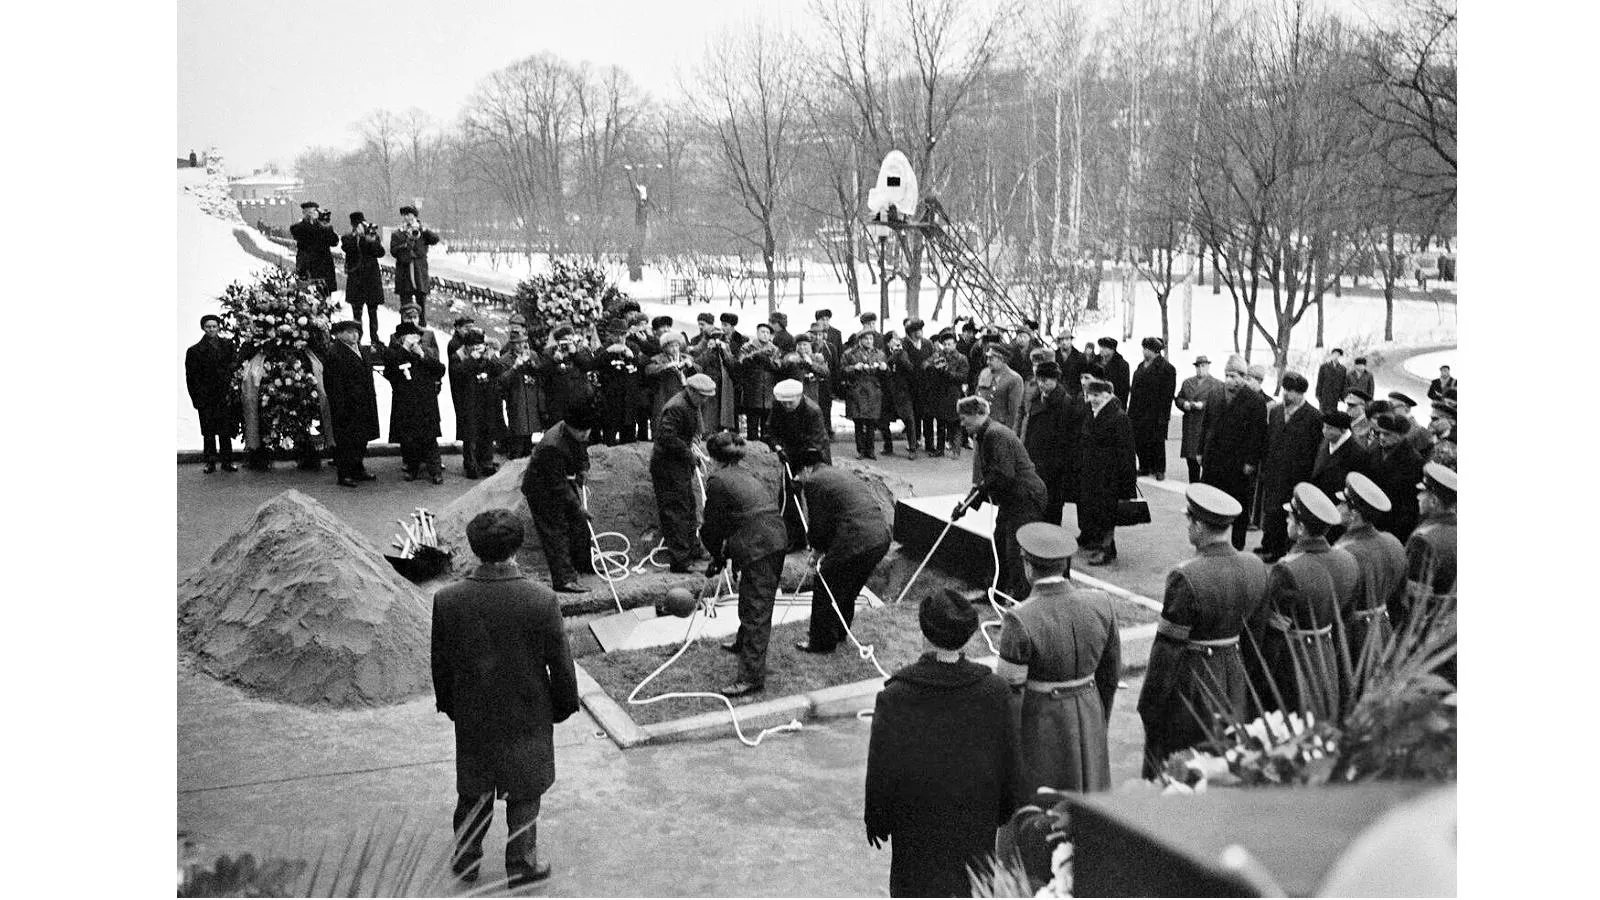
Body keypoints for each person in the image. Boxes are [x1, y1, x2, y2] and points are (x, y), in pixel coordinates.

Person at [431, 509, 579, 887]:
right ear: (517, 548)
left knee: (474, 789)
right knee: (525, 791)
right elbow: (561, 664)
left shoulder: (447, 600)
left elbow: (441, 664)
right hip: (527, 712)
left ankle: (466, 860)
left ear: (474, 548)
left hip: (474, 712)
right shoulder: (541, 599)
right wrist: (562, 706)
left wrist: (451, 706)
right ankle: (522, 864)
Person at [864, 589, 1018, 898]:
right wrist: (1003, 810)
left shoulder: (896, 696)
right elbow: (1008, 761)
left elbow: (882, 768)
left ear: (924, 632)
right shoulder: (995, 691)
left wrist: (877, 818)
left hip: (916, 828)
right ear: (968, 637)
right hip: (975, 824)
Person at [1137, 485, 1267, 777]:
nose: (1187, 527)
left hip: (1194, 680)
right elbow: (1256, 636)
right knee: (1228, 757)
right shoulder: (1254, 566)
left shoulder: (1186, 576)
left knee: (1185, 760)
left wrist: (1150, 704)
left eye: (1189, 520)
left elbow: (1167, 651)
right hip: (1234, 674)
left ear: (1198, 525)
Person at [996, 523, 1122, 798]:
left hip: (1042, 724)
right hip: (1090, 713)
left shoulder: (1019, 619)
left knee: (1043, 806)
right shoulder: (1101, 603)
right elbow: (1110, 676)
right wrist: (1098, 717)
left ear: (1028, 566)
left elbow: (1010, 696)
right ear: (1064, 564)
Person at [1248, 483, 1358, 719]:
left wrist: (1258, 683)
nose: (1286, 520)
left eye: (1290, 517)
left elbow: (1272, 636)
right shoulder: (1347, 560)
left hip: (1293, 663)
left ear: (1300, 527)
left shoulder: (1288, 570)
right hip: (1327, 656)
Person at [701, 432, 789, 697]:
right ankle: (742, 643)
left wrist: (717, 556)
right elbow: (736, 518)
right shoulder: (744, 472)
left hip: (760, 544)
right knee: (751, 598)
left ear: (713, 458)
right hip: (771, 536)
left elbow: (712, 527)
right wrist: (722, 555)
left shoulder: (717, 480)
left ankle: (751, 678)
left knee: (757, 610)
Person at [792, 448, 892, 654]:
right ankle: (838, 631)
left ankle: (821, 642)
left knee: (825, 583)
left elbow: (819, 523)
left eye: (798, 474)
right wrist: (821, 550)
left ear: (806, 469)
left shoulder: (813, 482)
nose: (798, 479)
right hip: (880, 537)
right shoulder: (838, 474)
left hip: (857, 538)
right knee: (848, 587)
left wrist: (816, 550)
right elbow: (835, 517)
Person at [956, 395, 1048, 600]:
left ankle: (1022, 601)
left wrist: (974, 498)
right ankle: (996, 593)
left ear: (977, 414)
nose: (962, 424)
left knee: (1016, 551)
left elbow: (1003, 474)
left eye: (964, 419)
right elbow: (993, 476)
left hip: (1027, 497)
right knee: (998, 544)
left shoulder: (995, 434)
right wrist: (968, 504)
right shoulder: (985, 434)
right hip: (1013, 498)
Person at [1334, 473, 1407, 681]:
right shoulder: (1393, 542)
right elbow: (1400, 601)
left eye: (1342, 504)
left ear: (1354, 514)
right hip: (1384, 631)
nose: (1337, 507)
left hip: (1352, 639)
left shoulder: (1343, 553)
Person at [523, 404, 598, 594]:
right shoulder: (552, 445)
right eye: (581, 431)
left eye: (587, 430)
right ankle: (564, 580)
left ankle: (583, 565)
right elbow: (557, 486)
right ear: (569, 426)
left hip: (561, 480)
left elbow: (581, 451)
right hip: (542, 489)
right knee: (556, 531)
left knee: (579, 525)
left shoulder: (578, 433)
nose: (585, 434)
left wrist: (583, 469)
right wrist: (577, 507)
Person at [652, 374, 717, 573]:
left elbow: (691, 432)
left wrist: (692, 448)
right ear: (691, 390)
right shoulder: (676, 407)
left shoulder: (691, 404)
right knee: (675, 513)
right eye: (702, 396)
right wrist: (689, 454)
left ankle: (692, 549)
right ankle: (680, 560)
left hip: (679, 464)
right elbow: (666, 437)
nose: (704, 400)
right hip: (667, 466)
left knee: (688, 507)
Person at [1201, 359, 1268, 550]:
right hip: (1214, 460)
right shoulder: (1216, 394)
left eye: (1233, 376)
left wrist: (1251, 461)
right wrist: (1200, 450)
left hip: (1238, 464)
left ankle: (1238, 545)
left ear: (1243, 377)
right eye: (1227, 376)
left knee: (1239, 506)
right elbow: (1206, 425)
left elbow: (1257, 434)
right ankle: (1211, 541)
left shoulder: (1255, 401)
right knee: (1211, 503)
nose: (1229, 380)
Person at [1256, 372, 1322, 563]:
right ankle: (1268, 543)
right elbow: (1268, 442)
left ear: (1301, 394)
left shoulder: (1313, 416)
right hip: (1274, 471)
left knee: (1288, 513)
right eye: (1285, 389)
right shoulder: (1276, 412)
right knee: (1270, 510)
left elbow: (1314, 449)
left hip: (1296, 475)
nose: (1286, 394)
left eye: (1291, 391)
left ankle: (1280, 549)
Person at [1075, 378, 1138, 567]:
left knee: (1108, 513)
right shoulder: (1092, 413)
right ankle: (1096, 542)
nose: (1093, 399)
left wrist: (1127, 482)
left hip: (1110, 476)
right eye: (1090, 395)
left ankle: (1107, 549)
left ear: (1107, 396)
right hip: (1092, 473)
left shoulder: (1118, 417)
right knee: (1095, 510)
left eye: (1097, 395)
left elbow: (1127, 453)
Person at [384, 322, 447, 484]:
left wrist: (423, 355)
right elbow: (389, 372)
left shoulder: (424, 351)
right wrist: (405, 349)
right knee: (410, 440)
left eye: (416, 336)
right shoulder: (394, 352)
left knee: (430, 439)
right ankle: (412, 469)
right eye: (410, 336)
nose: (414, 340)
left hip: (426, 403)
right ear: (402, 338)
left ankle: (435, 471)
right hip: (406, 404)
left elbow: (440, 369)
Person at [323, 320, 382, 487]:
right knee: (347, 440)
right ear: (339, 334)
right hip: (347, 404)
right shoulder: (335, 353)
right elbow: (333, 384)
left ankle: (358, 468)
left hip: (364, 401)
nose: (354, 335)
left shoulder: (361, 350)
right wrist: (339, 405)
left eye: (356, 331)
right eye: (349, 332)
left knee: (361, 438)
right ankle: (344, 474)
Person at [1022, 362, 1080, 528]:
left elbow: (1067, 437)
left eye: (1045, 380)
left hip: (1054, 464)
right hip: (1035, 459)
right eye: (1039, 380)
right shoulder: (1036, 399)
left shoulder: (1065, 402)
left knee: (1052, 506)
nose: (1041, 384)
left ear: (1055, 380)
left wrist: (1061, 463)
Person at [1402, 462, 1457, 622]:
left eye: (1422, 492)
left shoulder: (1422, 540)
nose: (1418, 497)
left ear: (1433, 501)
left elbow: (1414, 601)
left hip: (1432, 625)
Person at [186, 314, 238, 473]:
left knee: (225, 430)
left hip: (224, 395)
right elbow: (191, 378)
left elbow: (235, 368)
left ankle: (227, 461)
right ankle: (210, 462)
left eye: (214, 326)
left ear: (218, 327)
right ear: (203, 328)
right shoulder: (194, 351)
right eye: (208, 327)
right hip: (206, 397)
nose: (211, 329)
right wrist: (196, 399)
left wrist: (233, 391)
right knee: (208, 431)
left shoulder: (228, 346)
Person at [455, 330, 507, 478]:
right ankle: (471, 465)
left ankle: (487, 462)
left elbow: (499, 371)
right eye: (474, 345)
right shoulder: (459, 357)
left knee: (487, 434)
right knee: (471, 436)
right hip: (470, 402)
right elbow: (458, 374)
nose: (478, 348)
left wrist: (491, 358)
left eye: (480, 345)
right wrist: (472, 359)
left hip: (487, 402)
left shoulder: (487, 358)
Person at [1368, 412, 1424, 541]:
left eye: (1387, 434)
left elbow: (1411, 504)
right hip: (1371, 516)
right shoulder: (1375, 449)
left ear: (1400, 435)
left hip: (1393, 524)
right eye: (1379, 433)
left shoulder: (1413, 461)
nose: (1381, 437)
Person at [1128, 337, 1177, 479]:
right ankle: (1144, 466)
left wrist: (1164, 416)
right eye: (1143, 348)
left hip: (1156, 413)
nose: (1144, 351)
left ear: (1154, 351)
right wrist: (1131, 412)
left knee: (1157, 442)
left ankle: (1159, 469)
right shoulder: (1140, 366)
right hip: (1139, 412)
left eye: (1146, 349)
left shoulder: (1166, 368)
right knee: (1140, 440)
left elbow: (1168, 395)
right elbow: (1134, 390)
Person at [1174, 355, 1224, 483]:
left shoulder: (1217, 384)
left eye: (1203, 366)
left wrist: (1204, 405)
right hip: (1190, 426)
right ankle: (1194, 486)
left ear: (1208, 367)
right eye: (1198, 366)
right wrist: (1183, 404)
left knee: (1207, 463)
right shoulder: (1187, 383)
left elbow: (1220, 404)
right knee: (1192, 463)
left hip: (1205, 427)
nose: (1200, 369)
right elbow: (1178, 398)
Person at [922, 330, 970, 459]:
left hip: (954, 394)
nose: (947, 347)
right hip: (940, 394)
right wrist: (933, 367)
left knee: (955, 424)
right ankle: (940, 449)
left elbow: (963, 377)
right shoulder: (938, 355)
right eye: (945, 344)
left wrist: (947, 372)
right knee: (940, 423)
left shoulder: (961, 358)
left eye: (949, 344)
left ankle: (956, 449)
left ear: (955, 344)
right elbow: (925, 364)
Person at [592, 324, 642, 445]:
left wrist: (633, 357)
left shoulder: (633, 347)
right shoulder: (605, 348)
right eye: (616, 335)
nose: (619, 338)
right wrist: (608, 352)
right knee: (609, 438)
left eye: (622, 334)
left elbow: (642, 367)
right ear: (610, 335)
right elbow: (594, 364)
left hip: (629, 400)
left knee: (629, 439)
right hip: (611, 400)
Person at [390, 205, 440, 324]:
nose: (407, 217)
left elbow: (435, 239)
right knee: (405, 305)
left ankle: (422, 327)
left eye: (410, 215)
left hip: (419, 271)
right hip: (404, 272)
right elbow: (394, 251)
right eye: (405, 215)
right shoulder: (398, 233)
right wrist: (406, 245)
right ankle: (405, 327)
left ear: (415, 216)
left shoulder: (422, 232)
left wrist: (422, 229)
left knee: (421, 303)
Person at [340, 212, 387, 341]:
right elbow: (347, 248)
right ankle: (357, 338)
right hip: (356, 278)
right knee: (357, 312)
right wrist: (358, 237)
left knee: (373, 311)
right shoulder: (348, 237)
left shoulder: (372, 236)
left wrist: (370, 240)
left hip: (371, 277)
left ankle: (374, 338)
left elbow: (380, 252)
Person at [842, 331, 889, 460]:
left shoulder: (880, 354)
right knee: (858, 421)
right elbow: (842, 370)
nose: (869, 341)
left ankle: (871, 450)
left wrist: (884, 368)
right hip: (857, 390)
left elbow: (886, 375)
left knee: (871, 422)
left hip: (873, 390)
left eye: (871, 339)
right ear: (860, 340)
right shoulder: (850, 353)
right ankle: (861, 450)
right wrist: (853, 368)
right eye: (866, 339)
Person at [736, 323, 782, 442]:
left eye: (767, 333)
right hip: (752, 393)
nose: (765, 335)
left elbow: (778, 368)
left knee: (767, 429)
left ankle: (766, 448)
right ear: (757, 333)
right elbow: (741, 363)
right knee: (752, 427)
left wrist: (767, 361)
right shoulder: (747, 347)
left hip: (768, 394)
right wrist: (755, 355)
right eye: (762, 332)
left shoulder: (774, 350)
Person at [499, 329, 541, 458]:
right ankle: (514, 460)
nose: (522, 345)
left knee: (528, 440)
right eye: (518, 343)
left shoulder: (532, 355)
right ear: (512, 344)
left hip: (531, 402)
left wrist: (532, 365)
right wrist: (515, 367)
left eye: (524, 342)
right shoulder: (505, 359)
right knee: (517, 440)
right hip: (517, 402)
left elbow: (541, 374)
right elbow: (502, 381)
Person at [1309, 410, 1369, 502]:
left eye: (1329, 428)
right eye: (1324, 427)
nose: (1324, 431)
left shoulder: (1357, 452)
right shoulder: (1325, 442)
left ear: (1343, 430)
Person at [882, 332, 919, 457]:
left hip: (902, 393)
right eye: (893, 340)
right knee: (884, 421)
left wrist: (899, 356)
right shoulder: (884, 353)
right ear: (888, 343)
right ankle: (888, 446)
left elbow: (910, 368)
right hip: (888, 393)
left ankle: (912, 448)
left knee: (909, 420)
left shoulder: (903, 354)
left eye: (897, 340)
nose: (896, 342)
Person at [290, 201, 338, 295]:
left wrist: (324, 225)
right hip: (307, 267)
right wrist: (316, 224)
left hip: (324, 268)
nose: (310, 215)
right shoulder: (298, 228)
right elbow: (300, 233)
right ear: (303, 213)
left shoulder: (324, 227)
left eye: (312, 212)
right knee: (307, 297)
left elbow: (334, 242)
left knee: (326, 296)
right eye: (308, 213)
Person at [1095, 337, 1131, 408]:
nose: (1101, 350)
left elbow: (1124, 390)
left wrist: (1121, 407)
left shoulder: (1122, 365)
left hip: (1113, 404)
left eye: (1105, 348)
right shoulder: (1095, 361)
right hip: (1096, 403)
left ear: (1112, 350)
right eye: (1101, 347)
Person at [1315, 348, 1348, 414]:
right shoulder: (1324, 367)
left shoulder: (1343, 369)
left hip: (1335, 396)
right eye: (1335, 354)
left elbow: (1344, 383)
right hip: (1324, 395)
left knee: (1332, 414)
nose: (1336, 356)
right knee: (1322, 414)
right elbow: (1320, 381)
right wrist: (1318, 394)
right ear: (1331, 355)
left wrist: (1343, 396)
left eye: (1338, 355)